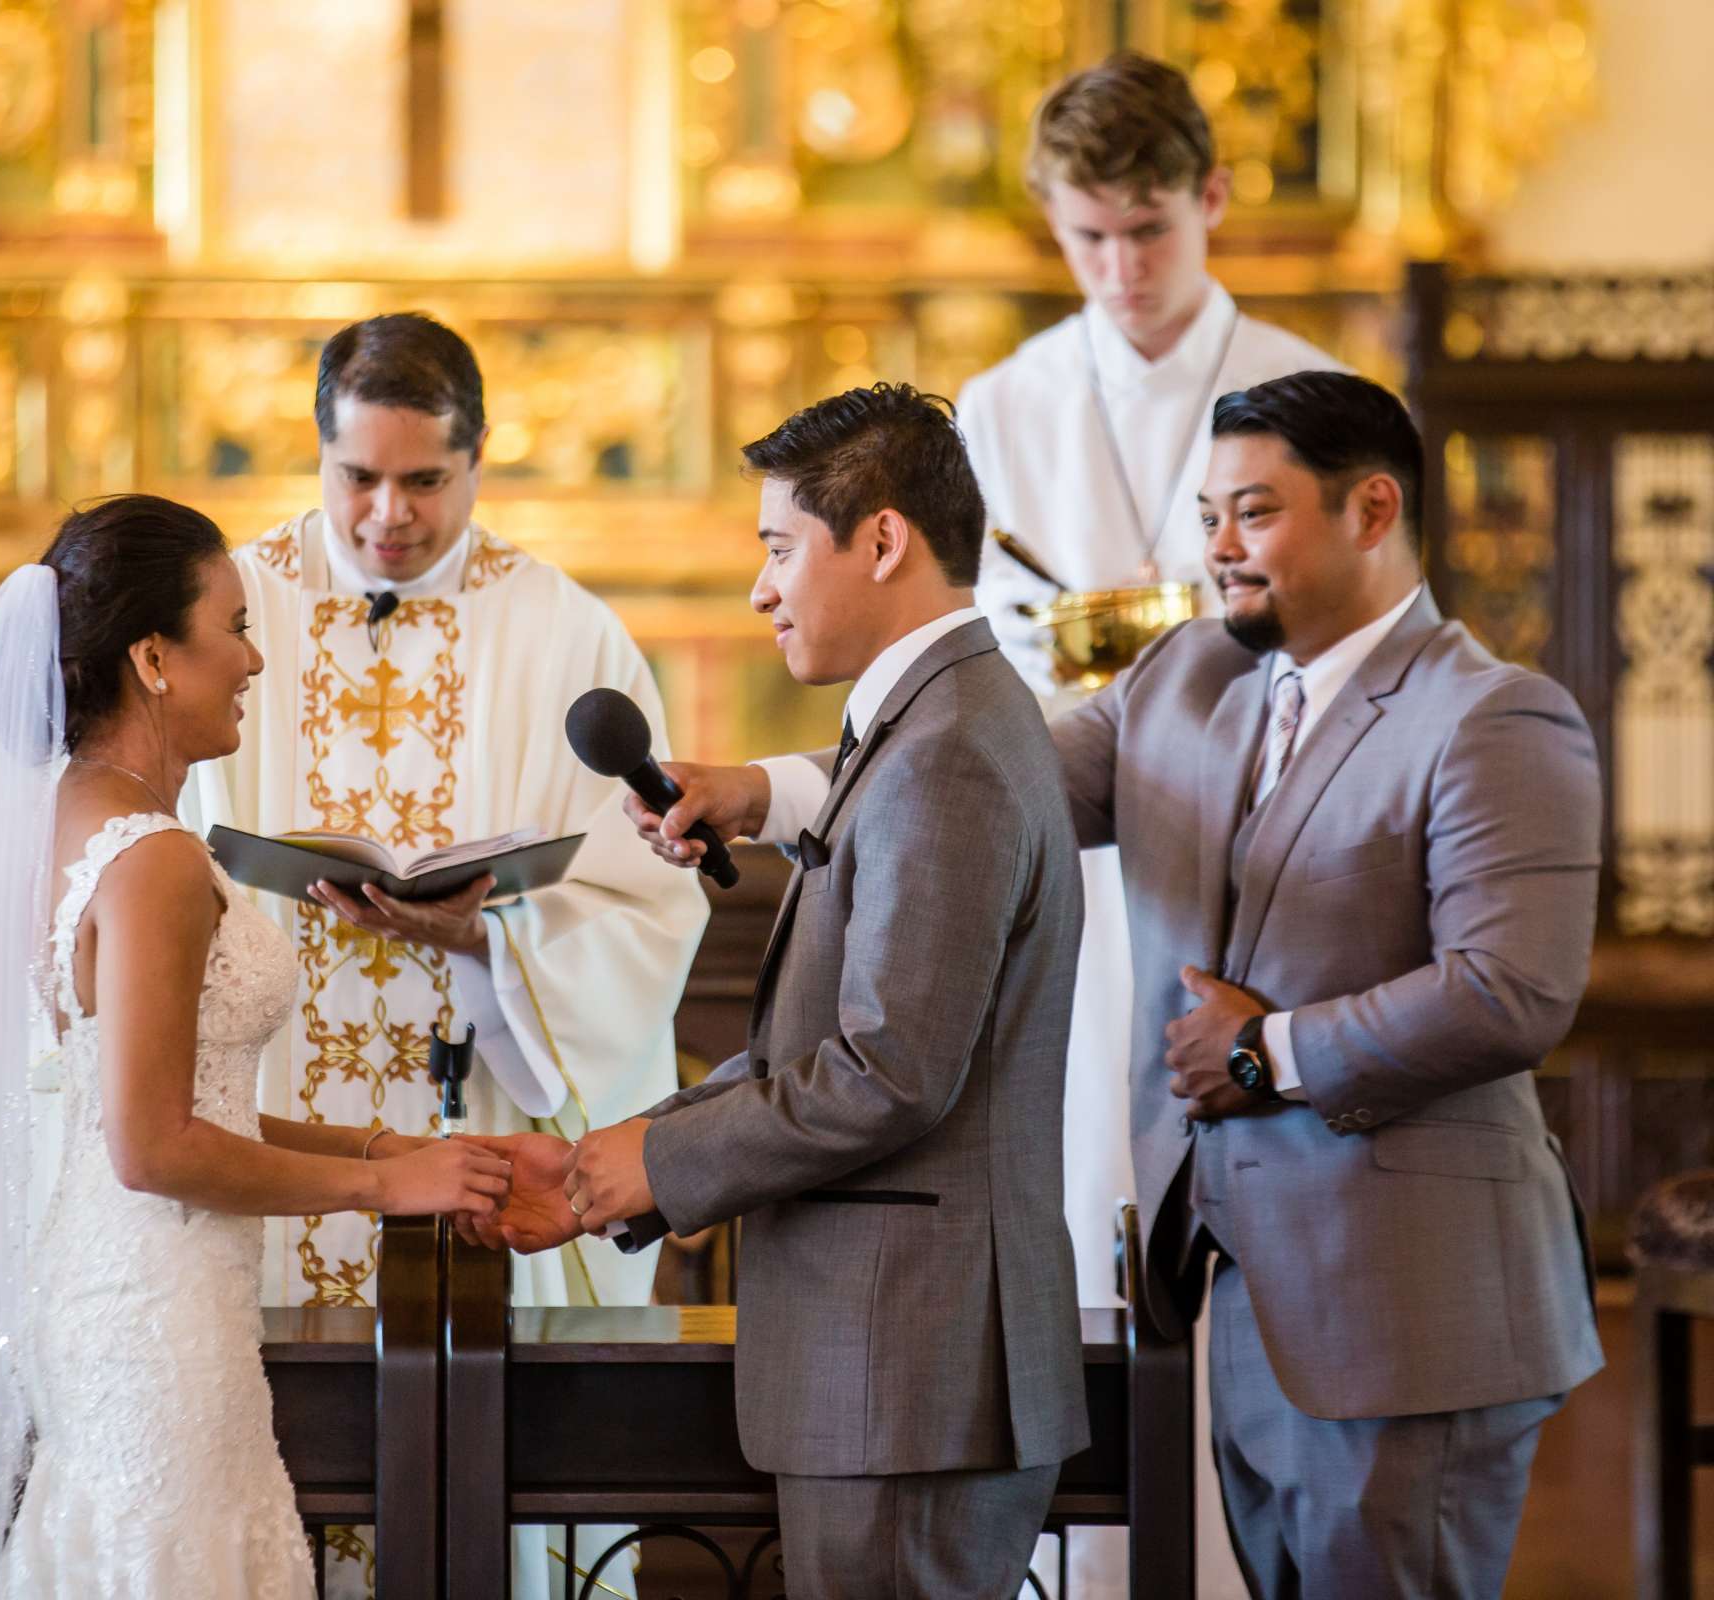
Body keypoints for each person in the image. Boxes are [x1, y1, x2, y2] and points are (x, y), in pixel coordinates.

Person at [633, 373, 1606, 1597]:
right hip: (1243, 1296)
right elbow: (977, 770)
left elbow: (1512, 989)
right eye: (1207, 516)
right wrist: (755, 790)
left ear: (1371, 510)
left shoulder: (1498, 715)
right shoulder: (1188, 675)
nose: (1217, 547)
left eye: (1253, 512)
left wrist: (1271, 1052)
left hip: (1417, 1301)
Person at [489, 385, 1088, 1599]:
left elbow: (887, 1073)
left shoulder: (951, 752)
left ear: (881, 540)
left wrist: (651, 1168)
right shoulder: (940, 719)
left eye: (777, 548)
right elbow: (817, 1041)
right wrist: (643, 1138)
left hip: (909, 1379)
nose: (761, 589)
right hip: (902, 1374)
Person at [0, 494, 513, 1600]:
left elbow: (159, 1097)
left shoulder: (61, 816)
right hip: (155, 1314)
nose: (256, 657)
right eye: (231, 626)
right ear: (152, 657)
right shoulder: (156, 860)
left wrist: (379, 1139)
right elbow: (155, 1144)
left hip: (111, 1290)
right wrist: (382, 1184)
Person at [180, 312, 708, 1594]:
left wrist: (490, 931)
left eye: (425, 481)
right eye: (357, 477)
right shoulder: (226, 611)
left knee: (470, 1490)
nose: (387, 516)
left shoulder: (568, 635)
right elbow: (154, 838)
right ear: (318, 452)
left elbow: (651, 899)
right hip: (277, 1110)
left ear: (482, 461)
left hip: (477, 1111)